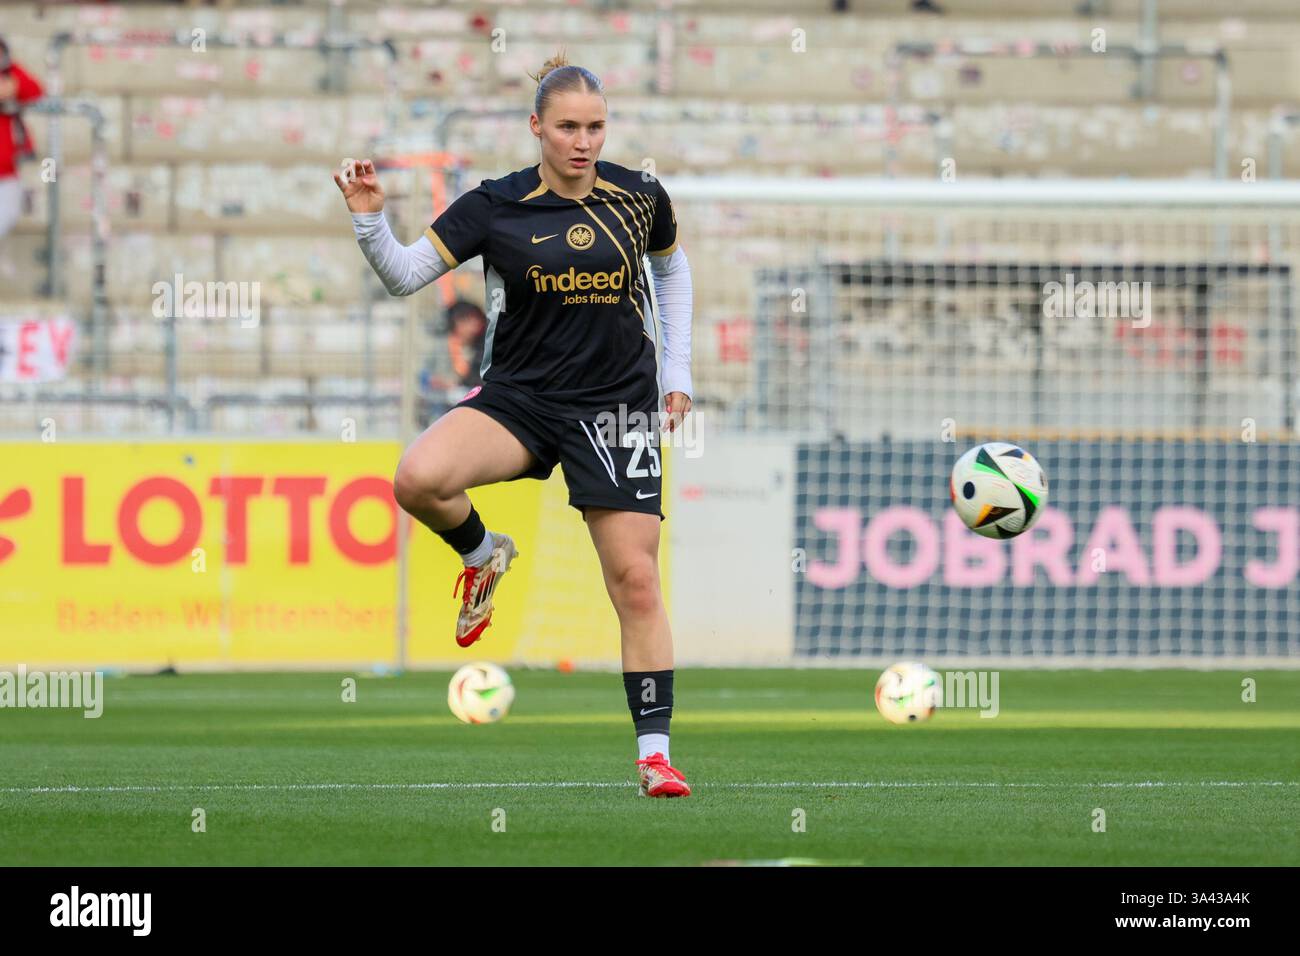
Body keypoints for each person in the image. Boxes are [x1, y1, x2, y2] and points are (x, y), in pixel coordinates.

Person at [336, 54, 695, 798]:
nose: (583, 141)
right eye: (567, 126)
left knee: (634, 579)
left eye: (595, 126)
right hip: (522, 397)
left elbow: (672, 269)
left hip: (615, 403)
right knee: (417, 478)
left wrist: (677, 372)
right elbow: (405, 274)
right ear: (537, 127)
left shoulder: (640, 196)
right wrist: (371, 218)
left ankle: (655, 756)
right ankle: (484, 552)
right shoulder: (494, 206)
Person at [0, 36, 44, 260]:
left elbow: (36, 91)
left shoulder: (10, 72)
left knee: (7, 214)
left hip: (7, 169)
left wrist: (13, 86)